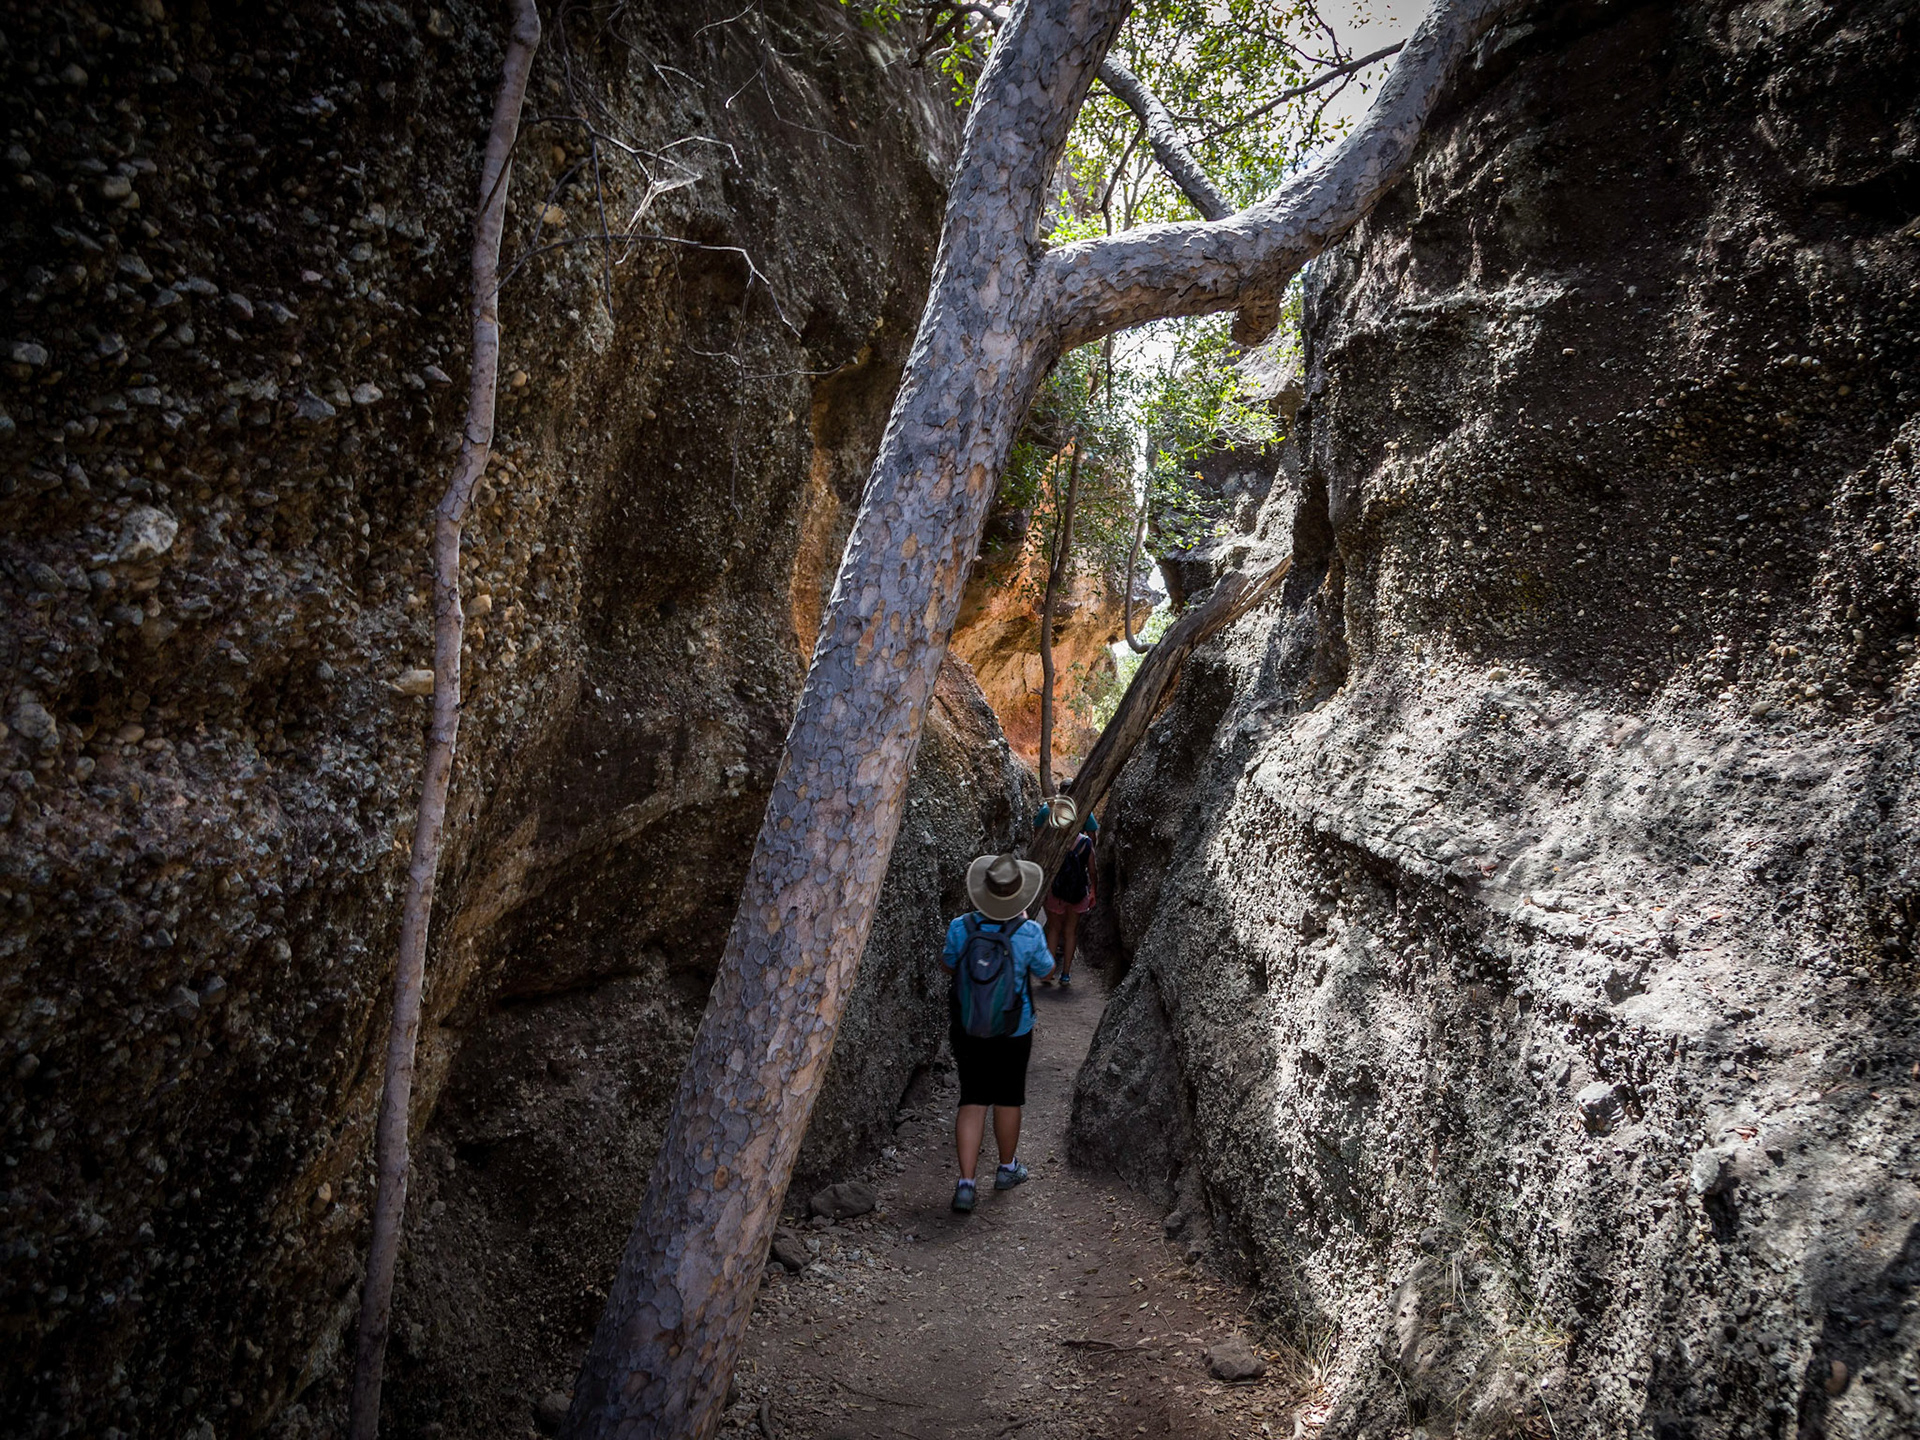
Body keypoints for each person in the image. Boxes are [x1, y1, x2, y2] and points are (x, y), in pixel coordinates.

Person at [941, 852, 1053, 1214]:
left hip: (968, 1026)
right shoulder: (1029, 932)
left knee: (972, 1098)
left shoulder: (961, 927)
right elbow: (1046, 971)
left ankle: (966, 1184)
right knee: (1008, 1098)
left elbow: (947, 964)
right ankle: (1007, 1168)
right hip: (1013, 1029)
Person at [1035, 784, 1098, 989]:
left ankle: (1048, 972)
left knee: (1054, 929)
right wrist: (1093, 890)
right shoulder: (1086, 843)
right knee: (1070, 932)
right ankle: (1066, 975)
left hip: (1056, 890)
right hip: (1077, 892)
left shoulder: (1053, 842)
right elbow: (1092, 869)